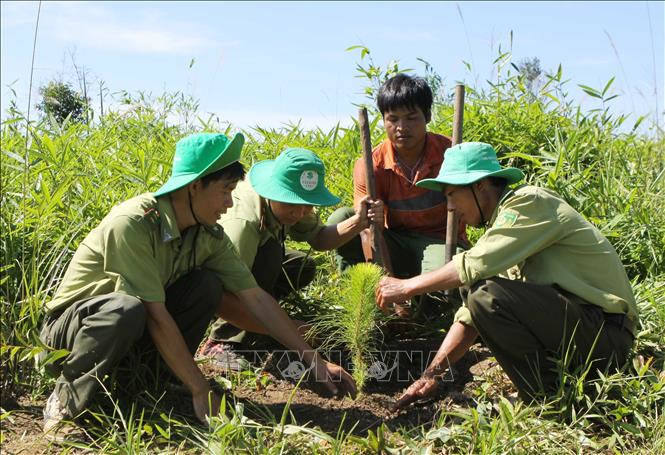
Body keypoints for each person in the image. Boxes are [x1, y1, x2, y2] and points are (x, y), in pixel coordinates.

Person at [39, 133, 356, 439]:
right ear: (194, 187)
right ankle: (65, 404)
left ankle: (155, 385)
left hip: (128, 331)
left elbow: (256, 299)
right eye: (225, 190)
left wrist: (313, 359)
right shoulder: (134, 224)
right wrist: (201, 386)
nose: (230, 203)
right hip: (73, 331)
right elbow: (155, 316)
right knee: (127, 307)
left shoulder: (207, 235)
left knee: (206, 285)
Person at [376, 142, 639, 408]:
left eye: (452, 195)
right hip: (585, 331)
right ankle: (554, 390)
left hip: (606, 335)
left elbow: (474, 268)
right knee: (478, 293)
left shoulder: (530, 202)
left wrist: (406, 287)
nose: (450, 207)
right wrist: (431, 375)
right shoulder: (506, 229)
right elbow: (471, 315)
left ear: (479, 185)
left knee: (484, 294)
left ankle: (547, 397)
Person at [198, 147, 383, 368]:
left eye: (307, 205)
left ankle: (257, 320)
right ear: (272, 192)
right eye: (292, 205)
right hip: (204, 285)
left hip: (240, 273)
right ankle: (220, 341)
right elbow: (223, 295)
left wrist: (358, 222)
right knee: (269, 256)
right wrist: (288, 328)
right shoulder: (243, 224)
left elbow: (320, 239)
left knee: (300, 266)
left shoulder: (293, 205)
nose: (300, 213)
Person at [328, 73, 466, 318]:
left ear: (427, 117)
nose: (401, 128)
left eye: (412, 118)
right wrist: (390, 285)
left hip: (440, 242)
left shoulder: (450, 153)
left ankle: (428, 307)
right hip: (396, 241)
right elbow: (368, 229)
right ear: (383, 120)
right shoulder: (372, 164)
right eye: (393, 119)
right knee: (342, 218)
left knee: (438, 293)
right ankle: (369, 299)